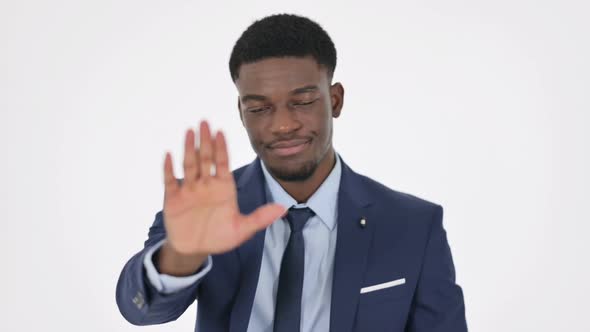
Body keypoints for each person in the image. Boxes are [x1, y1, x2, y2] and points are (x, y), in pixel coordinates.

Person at [115, 13, 467, 332]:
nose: (282, 125)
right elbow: (141, 311)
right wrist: (184, 254)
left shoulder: (413, 224)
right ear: (241, 113)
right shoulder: (204, 206)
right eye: (259, 108)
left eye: (302, 102)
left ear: (335, 100)